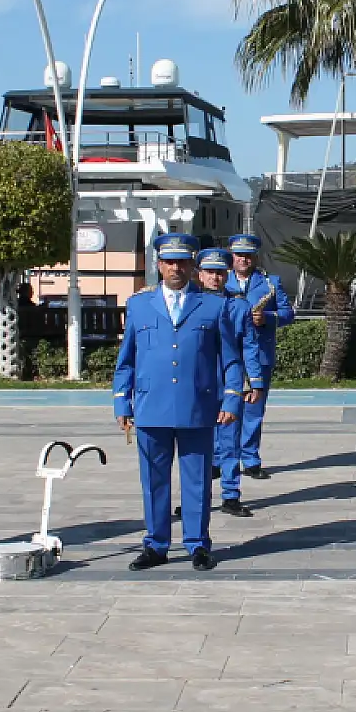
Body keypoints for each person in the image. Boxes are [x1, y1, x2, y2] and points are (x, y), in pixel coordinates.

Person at [112, 232, 252, 572]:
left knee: (197, 481)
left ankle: (198, 544)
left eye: (182, 262)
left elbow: (230, 360)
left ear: (193, 266)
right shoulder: (139, 305)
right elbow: (126, 359)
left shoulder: (215, 306)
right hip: (151, 407)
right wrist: (122, 403)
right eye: (169, 262)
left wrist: (231, 401)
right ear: (159, 265)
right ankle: (156, 544)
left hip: (198, 407)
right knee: (154, 481)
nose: (176, 268)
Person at [196, 247, 263, 518]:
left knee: (230, 439)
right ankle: (196, 497)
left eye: (220, 273)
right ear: (199, 275)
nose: (215, 278)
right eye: (210, 272)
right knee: (197, 442)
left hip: (228, 379)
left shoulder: (238, 305)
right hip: (197, 380)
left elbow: (249, 345)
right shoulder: (191, 303)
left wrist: (254, 382)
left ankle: (231, 494)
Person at [224, 234, 294, 480]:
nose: (243, 259)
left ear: (255, 257)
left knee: (254, 410)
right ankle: (221, 458)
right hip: (228, 354)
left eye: (247, 255)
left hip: (260, 354)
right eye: (238, 255)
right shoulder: (219, 280)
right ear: (231, 256)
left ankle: (250, 459)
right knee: (224, 408)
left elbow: (288, 313)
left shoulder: (270, 282)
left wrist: (269, 318)